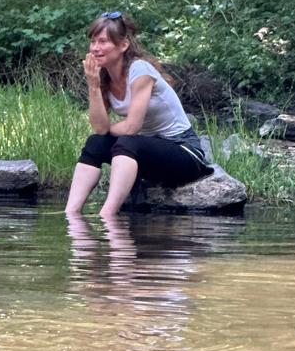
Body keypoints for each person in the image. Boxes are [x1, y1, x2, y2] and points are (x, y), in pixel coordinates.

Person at [65, 11, 211, 221]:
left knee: (127, 142)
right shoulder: (104, 76)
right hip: (150, 153)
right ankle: (71, 215)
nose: (95, 48)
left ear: (123, 45)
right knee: (95, 143)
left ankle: (107, 216)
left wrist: (109, 130)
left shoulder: (140, 70)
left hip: (185, 152)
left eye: (103, 41)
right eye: (93, 41)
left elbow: (132, 127)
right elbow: (99, 129)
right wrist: (93, 86)